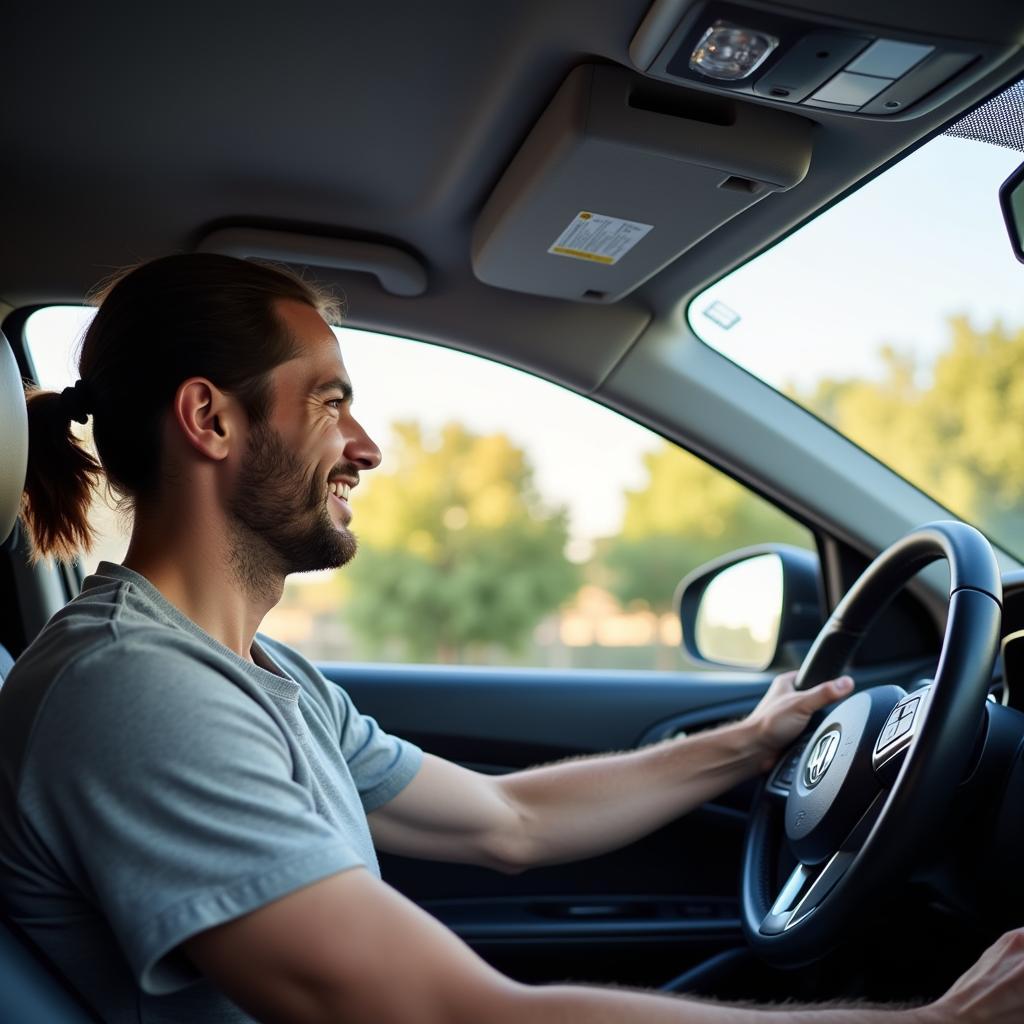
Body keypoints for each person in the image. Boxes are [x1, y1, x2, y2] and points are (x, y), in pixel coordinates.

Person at [0, 253, 1018, 1023]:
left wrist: (746, 745)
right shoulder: (135, 694)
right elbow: (456, 1014)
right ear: (210, 421)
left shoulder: (259, 676)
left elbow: (504, 818)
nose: (368, 445)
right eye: (332, 401)